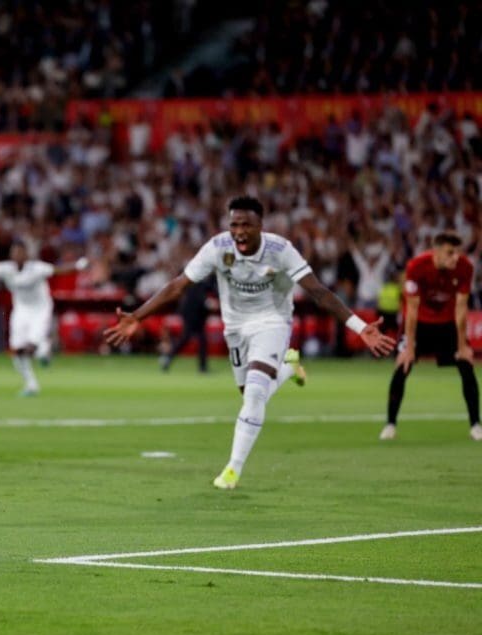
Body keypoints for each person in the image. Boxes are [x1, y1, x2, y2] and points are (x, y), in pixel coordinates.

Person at [104, 196, 396, 490]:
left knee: (255, 392)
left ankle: (232, 469)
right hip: (236, 328)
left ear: (260, 226)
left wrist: (359, 326)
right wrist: (138, 317)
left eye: (246, 225)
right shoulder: (218, 247)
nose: (239, 231)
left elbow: (318, 291)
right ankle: (288, 370)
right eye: (234, 224)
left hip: (272, 322)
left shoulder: (281, 250)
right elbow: (177, 286)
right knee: (250, 394)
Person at [381, 232, 481, 440]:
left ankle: (475, 425)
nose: (455, 258)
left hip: (447, 324)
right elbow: (412, 310)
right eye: (450, 253)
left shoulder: (465, 267)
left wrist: (462, 346)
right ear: (436, 251)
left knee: (466, 364)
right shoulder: (416, 266)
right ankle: (390, 425)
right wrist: (409, 348)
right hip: (420, 324)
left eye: (457, 253)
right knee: (402, 365)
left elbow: (461, 309)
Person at [0, 241, 87, 396]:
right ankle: (31, 384)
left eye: (20, 252)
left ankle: (43, 349)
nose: (17, 255)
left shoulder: (37, 268)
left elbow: (59, 270)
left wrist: (79, 266)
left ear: (26, 254)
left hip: (41, 310)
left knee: (30, 348)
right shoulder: (5, 268)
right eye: (14, 252)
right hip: (20, 310)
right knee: (16, 351)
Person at [159, 276, 215, 373]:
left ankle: (202, 367)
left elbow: (209, 290)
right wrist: (207, 303)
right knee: (187, 339)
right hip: (191, 313)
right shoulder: (196, 279)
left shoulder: (203, 279)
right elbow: (198, 296)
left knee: (199, 340)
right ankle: (169, 358)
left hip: (198, 313)